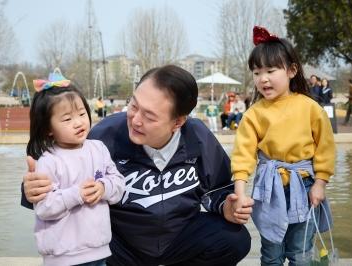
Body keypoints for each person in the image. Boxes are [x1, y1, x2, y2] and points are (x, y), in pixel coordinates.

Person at [22, 65, 254, 266]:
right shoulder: (105, 135)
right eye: (134, 106)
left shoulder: (199, 137)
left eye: (150, 117)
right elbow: (57, 175)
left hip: (180, 236)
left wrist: (225, 205)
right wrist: (30, 190)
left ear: (178, 122)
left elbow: (218, 188)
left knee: (235, 239)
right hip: (119, 244)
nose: (135, 120)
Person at [231, 26, 335, 265]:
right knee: (271, 253)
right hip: (269, 189)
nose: (263, 78)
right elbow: (243, 156)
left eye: (271, 70)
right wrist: (239, 194)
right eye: (257, 72)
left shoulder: (311, 108)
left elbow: (325, 150)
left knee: (300, 252)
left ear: (292, 70)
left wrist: (320, 184)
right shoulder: (253, 114)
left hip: (305, 186)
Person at [28, 73, 125, 265]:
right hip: (63, 256)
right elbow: (44, 207)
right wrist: (76, 194)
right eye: (67, 119)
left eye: (81, 114)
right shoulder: (49, 160)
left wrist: (104, 187)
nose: (79, 122)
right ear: (48, 128)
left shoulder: (98, 149)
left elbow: (119, 184)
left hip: (99, 250)